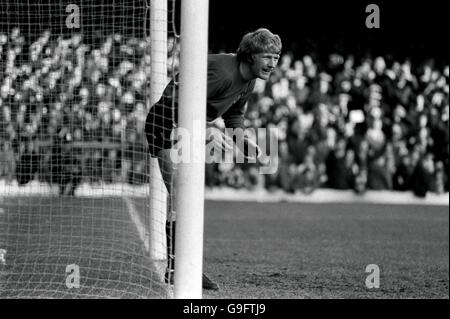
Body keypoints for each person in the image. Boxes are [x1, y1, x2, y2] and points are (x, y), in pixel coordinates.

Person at [145, 28, 282, 290]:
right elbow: (175, 102)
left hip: (189, 127)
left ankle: (185, 267)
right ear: (250, 55)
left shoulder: (249, 79)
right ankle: (177, 270)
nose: (272, 64)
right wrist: (206, 129)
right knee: (180, 193)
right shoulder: (223, 73)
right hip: (165, 122)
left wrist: (245, 141)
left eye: (276, 58)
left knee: (189, 196)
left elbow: (233, 117)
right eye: (267, 57)